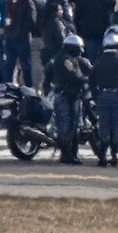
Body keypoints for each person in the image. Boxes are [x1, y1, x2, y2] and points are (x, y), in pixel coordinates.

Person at [90, 29, 118, 167]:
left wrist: (95, 96)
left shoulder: (99, 61)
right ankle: (115, 154)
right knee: (116, 126)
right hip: (117, 95)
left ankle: (103, 155)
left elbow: (92, 80)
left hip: (102, 95)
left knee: (103, 125)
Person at [48, 34, 91, 165]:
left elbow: (88, 68)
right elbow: (73, 77)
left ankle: (72, 153)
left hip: (71, 95)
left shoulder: (70, 58)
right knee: (67, 126)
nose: (81, 51)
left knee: (74, 125)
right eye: (79, 48)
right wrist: (87, 79)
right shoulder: (65, 59)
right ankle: (67, 154)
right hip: (67, 96)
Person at [0, 0, 38, 87]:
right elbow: (6, 17)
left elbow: (32, 18)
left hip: (22, 39)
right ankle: (7, 88)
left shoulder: (25, 0)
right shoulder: (8, 1)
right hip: (9, 38)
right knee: (8, 65)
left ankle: (29, 88)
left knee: (25, 65)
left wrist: (23, 31)